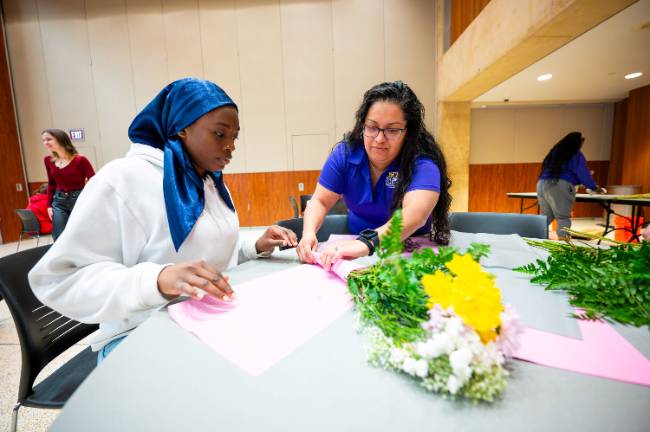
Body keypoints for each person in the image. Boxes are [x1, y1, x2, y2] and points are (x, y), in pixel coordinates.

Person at [29, 78, 297, 361]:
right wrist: (156, 280)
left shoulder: (211, 184)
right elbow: (61, 279)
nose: (230, 146)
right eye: (220, 134)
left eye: (235, 137)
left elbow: (209, 258)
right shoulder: (123, 179)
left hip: (206, 322)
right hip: (138, 334)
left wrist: (254, 245)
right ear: (182, 127)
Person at [296, 81, 451, 269]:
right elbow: (320, 201)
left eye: (392, 130)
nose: (379, 139)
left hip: (410, 249)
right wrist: (308, 234)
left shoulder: (422, 164)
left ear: (408, 132)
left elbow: (415, 215)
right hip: (354, 250)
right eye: (372, 127)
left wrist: (367, 243)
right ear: (362, 125)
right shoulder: (345, 155)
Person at [537, 131, 606, 239]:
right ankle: (563, 242)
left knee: (546, 215)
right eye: (582, 142)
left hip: (542, 184)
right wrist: (594, 187)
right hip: (559, 185)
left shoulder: (554, 153)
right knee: (563, 217)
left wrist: (577, 180)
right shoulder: (575, 154)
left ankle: (532, 236)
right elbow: (583, 174)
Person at [42, 128, 95, 240]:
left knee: (82, 233)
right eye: (43, 140)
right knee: (58, 235)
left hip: (79, 199)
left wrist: (90, 199)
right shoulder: (48, 160)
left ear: (60, 139)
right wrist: (49, 206)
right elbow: (51, 184)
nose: (45, 143)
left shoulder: (80, 160)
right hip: (59, 201)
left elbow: (94, 181)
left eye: (49, 139)